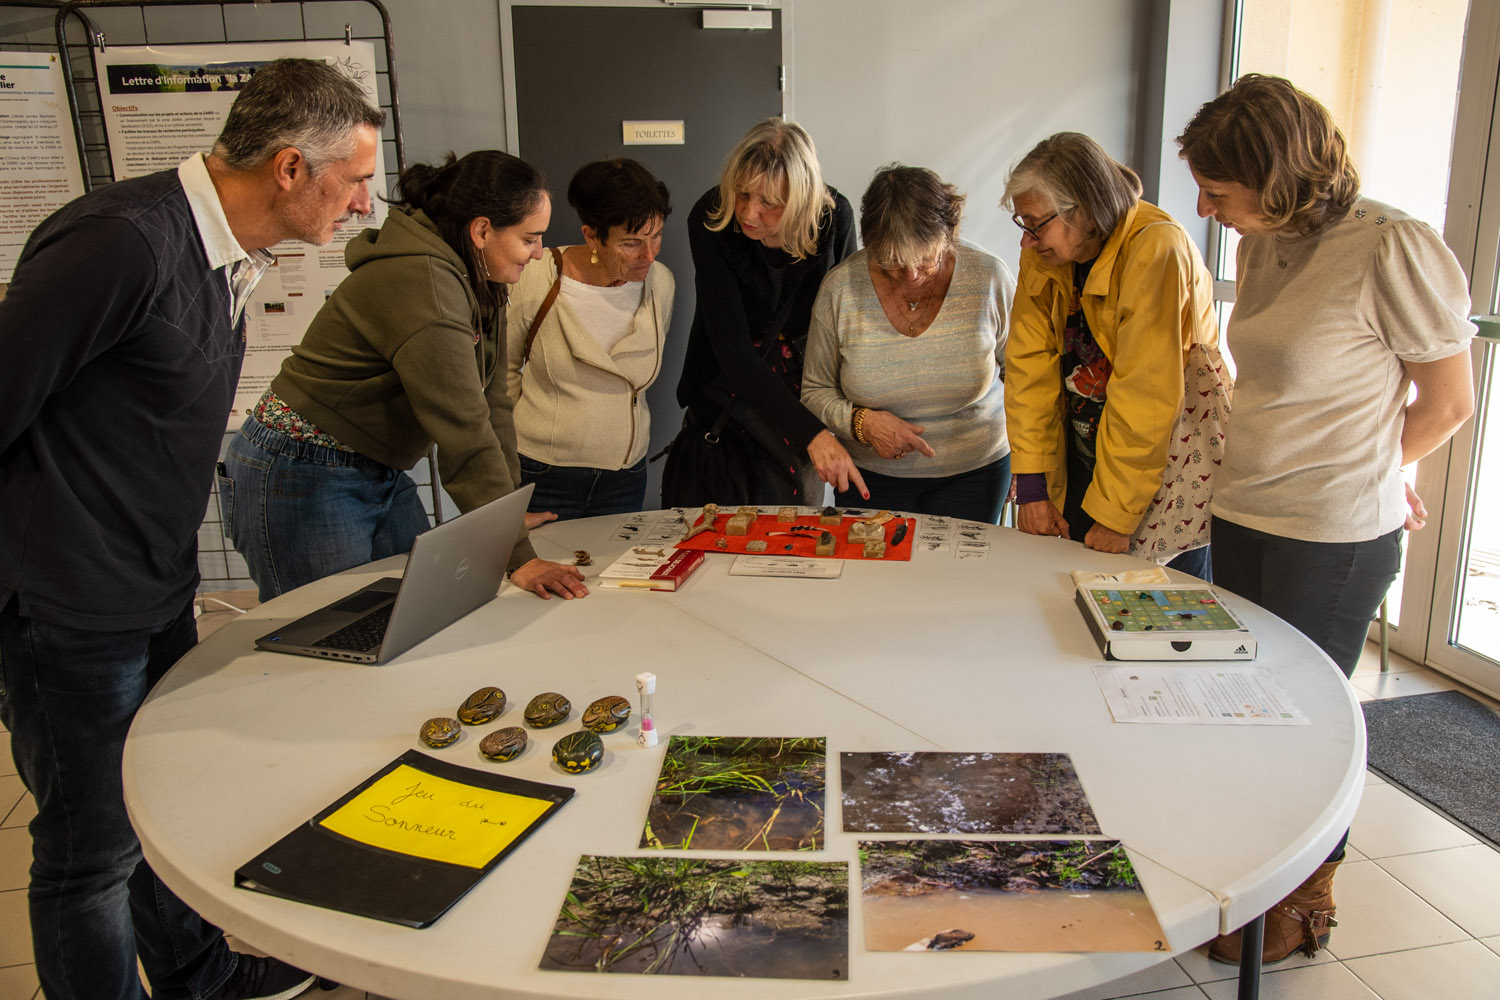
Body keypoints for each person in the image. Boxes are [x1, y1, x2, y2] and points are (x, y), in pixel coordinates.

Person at [0, 58, 383, 1000]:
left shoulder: (228, 253)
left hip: (152, 584)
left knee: (154, 816)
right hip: (68, 604)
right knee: (90, 856)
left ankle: (201, 980)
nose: (367, 205)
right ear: (292, 168)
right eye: (358, 179)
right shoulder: (120, 244)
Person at [1178, 74, 1475, 965]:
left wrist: (1378, 474)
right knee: (1246, 710)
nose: (1205, 205)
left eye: (1218, 190)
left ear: (1275, 177)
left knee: (1306, 720)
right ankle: (1256, 863)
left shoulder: (1392, 246)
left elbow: (1449, 399)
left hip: (1335, 532)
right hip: (1249, 506)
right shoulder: (1264, 240)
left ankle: (1308, 896)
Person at [220, 150, 589, 603]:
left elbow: (492, 403)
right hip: (302, 467)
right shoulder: (427, 284)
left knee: (413, 612)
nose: (537, 254)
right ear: (481, 230)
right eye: (530, 239)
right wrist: (516, 554)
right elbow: (463, 430)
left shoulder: (482, 277)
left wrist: (506, 516)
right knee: (329, 630)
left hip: (372, 465)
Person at [1003, 132, 1220, 578]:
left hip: (1157, 479)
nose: (1027, 242)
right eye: (1022, 224)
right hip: (1084, 462)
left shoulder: (1157, 249)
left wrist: (1116, 515)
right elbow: (1027, 371)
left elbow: (1148, 398)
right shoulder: (1043, 254)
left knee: (1151, 623)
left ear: (1083, 209)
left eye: (1036, 224)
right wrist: (1032, 485)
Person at [802, 164, 1015, 521]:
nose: (912, 275)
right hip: (872, 477)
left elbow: (1025, 377)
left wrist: (1030, 464)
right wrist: (863, 424)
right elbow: (814, 390)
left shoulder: (988, 277)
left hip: (978, 472)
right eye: (892, 264)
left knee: (964, 577)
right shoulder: (840, 289)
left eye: (927, 259)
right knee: (876, 575)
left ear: (949, 235)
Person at [669, 116, 857, 506]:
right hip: (728, 397)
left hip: (801, 394)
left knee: (791, 537)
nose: (749, 213)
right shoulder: (711, 218)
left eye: (769, 203)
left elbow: (848, 327)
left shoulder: (834, 217)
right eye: (742, 193)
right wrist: (813, 434)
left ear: (803, 198)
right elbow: (733, 349)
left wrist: (842, 420)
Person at [506, 158, 674, 519]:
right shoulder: (536, 277)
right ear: (592, 235)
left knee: (615, 574)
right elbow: (500, 376)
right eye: (631, 243)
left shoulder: (660, 283)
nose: (650, 254)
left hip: (627, 475)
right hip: (544, 474)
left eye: (656, 235)